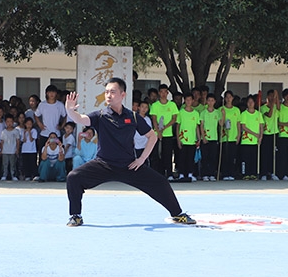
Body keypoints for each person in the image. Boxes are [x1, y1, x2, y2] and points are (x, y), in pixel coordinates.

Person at [63, 77, 195, 227]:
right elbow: (80, 119)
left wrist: (142, 158)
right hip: (103, 164)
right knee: (74, 177)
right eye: (106, 92)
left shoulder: (132, 116)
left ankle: (177, 214)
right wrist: (70, 110)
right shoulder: (100, 116)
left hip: (129, 166)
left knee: (161, 182)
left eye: (112, 92)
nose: (108, 95)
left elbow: (152, 136)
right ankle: (76, 216)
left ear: (123, 95)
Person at [149, 84, 179, 179]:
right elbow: (154, 119)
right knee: (157, 155)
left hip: (168, 134)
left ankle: (169, 173)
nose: (163, 94)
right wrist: (158, 131)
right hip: (157, 134)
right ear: (159, 93)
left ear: (167, 93)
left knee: (168, 154)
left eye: (165, 92)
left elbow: (174, 119)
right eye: (161, 92)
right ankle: (159, 174)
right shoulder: (155, 105)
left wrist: (165, 128)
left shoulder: (172, 105)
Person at [175, 93, 201, 181]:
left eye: (190, 100)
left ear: (193, 101)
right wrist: (178, 140)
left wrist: (199, 138)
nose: (188, 101)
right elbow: (178, 126)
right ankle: (181, 174)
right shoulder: (180, 112)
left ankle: (190, 174)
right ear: (184, 101)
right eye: (187, 100)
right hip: (183, 139)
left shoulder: (196, 113)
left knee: (191, 158)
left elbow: (197, 127)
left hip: (192, 139)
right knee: (182, 158)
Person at [238, 94, 264, 180]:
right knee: (246, 158)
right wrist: (254, 134)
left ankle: (253, 173)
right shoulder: (244, 114)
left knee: (254, 158)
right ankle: (245, 173)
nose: (250, 103)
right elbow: (243, 127)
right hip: (246, 140)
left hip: (255, 141)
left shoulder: (259, 114)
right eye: (248, 102)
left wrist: (260, 137)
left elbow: (261, 126)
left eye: (252, 102)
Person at [35, 84, 67, 155]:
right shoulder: (42, 104)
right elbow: (36, 115)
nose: (51, 94)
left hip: (56, 134)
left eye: (53, 92)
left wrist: (61, 126)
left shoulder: (60, 105)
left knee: (58, 153)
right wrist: (39, 124)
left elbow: (65, 116)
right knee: (43, 154)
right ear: (46, 93)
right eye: (50, 92)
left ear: (56, 93)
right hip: (45, 134)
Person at [199, 94, 221, 181]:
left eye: (212, 100)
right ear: (206, 101)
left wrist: (223, 115)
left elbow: (221, 124)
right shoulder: (203, 112)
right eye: (209, 100)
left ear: (215, 102)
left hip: (214, 137)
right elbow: (201, 125)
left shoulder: (217, 112)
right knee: (205, 157)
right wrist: (203, 137)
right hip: (205, 138)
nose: (210, 102)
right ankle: (205, 174)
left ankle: (212, 174)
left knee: (213, 157)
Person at [0, 114, 20, 181]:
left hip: (13, 150)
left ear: (13, 122)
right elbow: (2, 141)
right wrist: (1, 150)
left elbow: (18, 141)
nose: (9, 123)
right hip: (5, 150)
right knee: (5, 164)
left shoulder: (16, 131)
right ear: (5, 122)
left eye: (11, 121)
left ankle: (13, 175)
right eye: (8, 121)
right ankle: (4, 175)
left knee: (12, 164)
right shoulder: (3, 132)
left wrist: (17, 149)